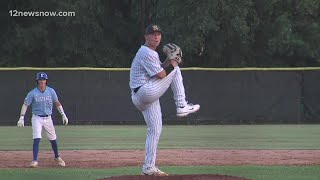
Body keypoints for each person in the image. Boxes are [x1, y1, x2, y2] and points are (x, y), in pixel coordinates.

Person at [129, 24, 200, 176]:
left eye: (158, 34)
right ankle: (181, 105)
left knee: (155, 130)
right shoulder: (146, 52)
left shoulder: (150, 53)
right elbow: (162, 75)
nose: (156, 37)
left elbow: (159, 70)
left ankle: (148, 167)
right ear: (145, 37)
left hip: (142, 95)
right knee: (176, 70)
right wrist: (174, 62)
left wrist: (168, 61)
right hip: (145, 92)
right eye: (153, 34)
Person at [17, 72, 69, 168]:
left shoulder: (51, 91)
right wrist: (22, 117)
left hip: (48, 118)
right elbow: (25, 104)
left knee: (53, 138)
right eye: (40, 80)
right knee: (37, 137)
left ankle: (57, 157)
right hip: (37, 117)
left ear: (46, 81)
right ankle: (35, 160)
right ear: (37, 81)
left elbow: (57, 102)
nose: (42, 82)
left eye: (43, 80)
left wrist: (63, 114)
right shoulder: (33, 93)